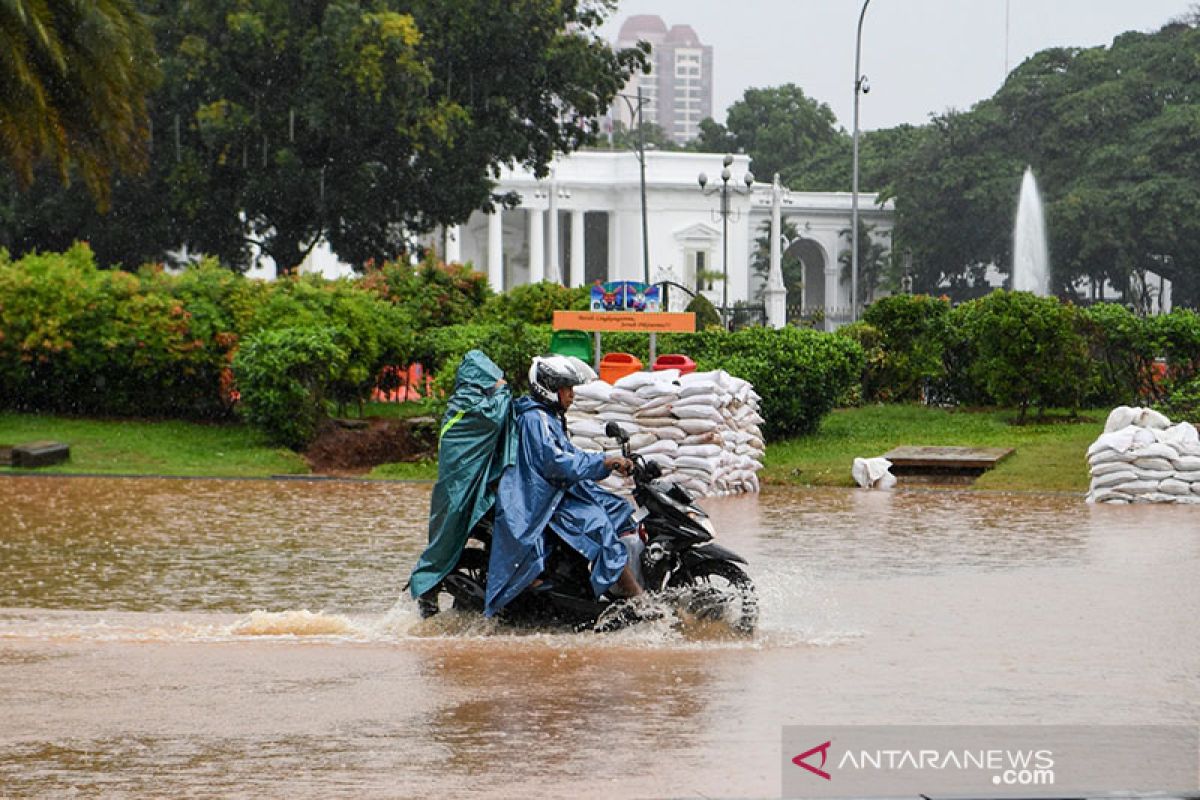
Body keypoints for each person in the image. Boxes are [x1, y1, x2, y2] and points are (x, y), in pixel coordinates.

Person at [484, 355, 644, 617]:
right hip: (540, 497)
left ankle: (610, 581)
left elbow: (568, 454)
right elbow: (558, 463)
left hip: (557, 489)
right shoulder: (536, 419)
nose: (571, 394)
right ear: (548, 389)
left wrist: (603, 459)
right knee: (598, 527)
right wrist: (604, 462)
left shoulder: (548, 417)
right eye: (566, 388)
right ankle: (634, 597)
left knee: (618, 508)